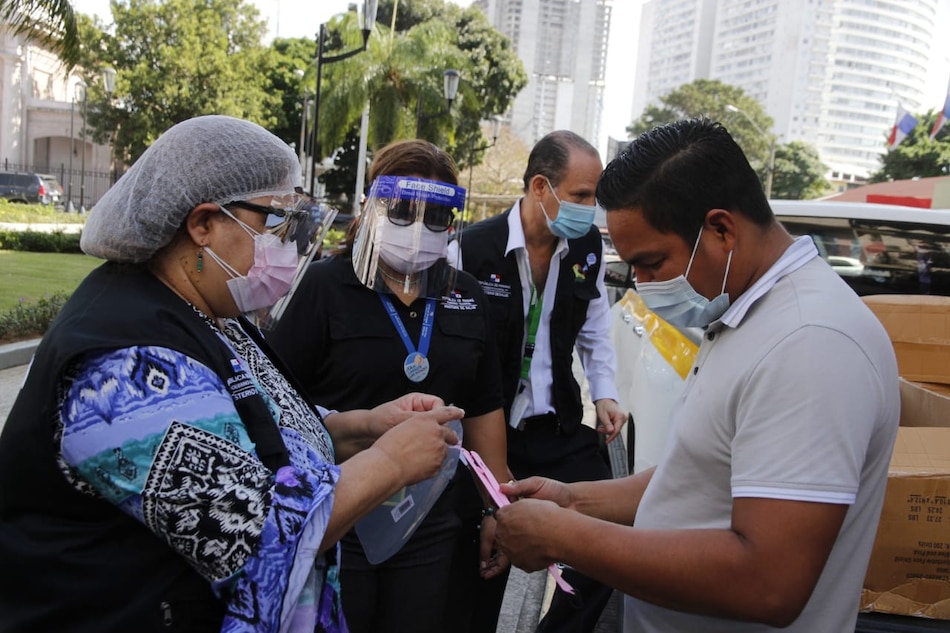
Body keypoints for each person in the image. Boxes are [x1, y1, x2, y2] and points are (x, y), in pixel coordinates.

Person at [0, 115, 462, 632]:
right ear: (203, 224)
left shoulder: (210, 312)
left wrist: (358, 428)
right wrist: (391, 463)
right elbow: (257, 532)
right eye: (276, 222)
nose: (288, 245)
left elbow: (254, 420)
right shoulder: (125, 364)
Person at [491, 118, 901, 633]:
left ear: (722, 230)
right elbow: (699, 477)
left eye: (652, 263)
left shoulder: (810, 341)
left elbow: (767, 581)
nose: (641, 286)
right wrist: (574, 500)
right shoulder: (744, 309)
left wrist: (564, 537)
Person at [267, 139, 509, 633]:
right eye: (401, 211)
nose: (418, 228)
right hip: (339, 513)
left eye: (436, 216)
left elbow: (484, 410)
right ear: (371, 207)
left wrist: (496, 509)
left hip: (431, 520)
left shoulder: (466, 294)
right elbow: (278, 404)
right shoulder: (323, 287)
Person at [449, 130, 626, 632]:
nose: (590, 210)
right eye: (581, 195)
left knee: (610, 536)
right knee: (484, 560)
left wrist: (605, 393)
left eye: (594, 197)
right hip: (488, 431)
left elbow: (595, 325)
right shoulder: (472, 249)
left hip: (556, 426)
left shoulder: (586, 248)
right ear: (540, 187)